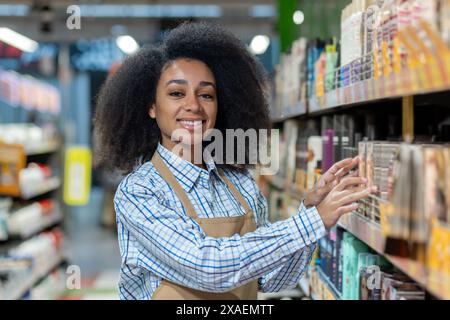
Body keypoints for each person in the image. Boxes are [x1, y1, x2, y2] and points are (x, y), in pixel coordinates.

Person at [93, 22, 376, 300]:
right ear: (152, 107)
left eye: (206, 95)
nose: (194, 105)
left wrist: (311, 214)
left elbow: (271, 278)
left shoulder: (240, 185)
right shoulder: (139, 192)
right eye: (177, 93)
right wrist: (310, 223)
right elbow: (207, 267)